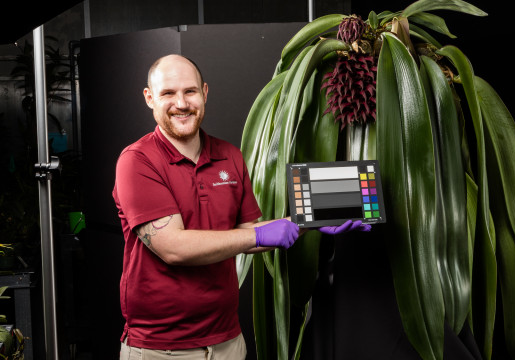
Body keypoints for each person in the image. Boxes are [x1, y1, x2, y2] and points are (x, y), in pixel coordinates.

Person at [113, 54, 369, 360]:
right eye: (168, 93)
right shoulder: (137, 161)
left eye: (190, 91)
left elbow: (247, 232)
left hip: (228, 343)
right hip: (160, 349)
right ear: (149, 98)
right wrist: (259, 236)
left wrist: (305, 222)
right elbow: (173, 247)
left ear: (205, 93)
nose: (181, 103)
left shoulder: (229, 156)